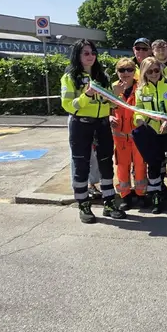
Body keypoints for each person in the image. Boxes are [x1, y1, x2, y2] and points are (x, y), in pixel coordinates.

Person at [60, 39, 126, 223]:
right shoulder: (69, 77)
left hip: (102, 124)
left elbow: (109, 104)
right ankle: (83, 205)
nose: (91, 56)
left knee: (106, 164)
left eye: (93, 53)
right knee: (81, 165)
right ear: (78, 55)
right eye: (86, 53)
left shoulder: (102, 76)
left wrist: (116, 95)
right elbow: (68, 105)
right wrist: (87, 95)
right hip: (81, 125)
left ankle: (109, 203)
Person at [132, 57, 167, 214]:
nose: (153, 74)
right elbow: (138, 110)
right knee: (154, 165)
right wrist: (139, 120)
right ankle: (156, 196)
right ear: (144, 73)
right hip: (152, 132)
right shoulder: (141, 90)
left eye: (156, 70)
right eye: (149, 71)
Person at [110, 58, 149, 212]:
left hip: (137, 135)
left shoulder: (141, 87)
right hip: (120, 137)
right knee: (122, 167)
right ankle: (125, 196)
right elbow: (105, 107)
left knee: (140, 166)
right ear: (117, 72)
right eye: (122, 70)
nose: (125, 73)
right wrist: (109, 117)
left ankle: (141, 195)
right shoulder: (112, 88)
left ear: (134, 72)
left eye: (129, 70)